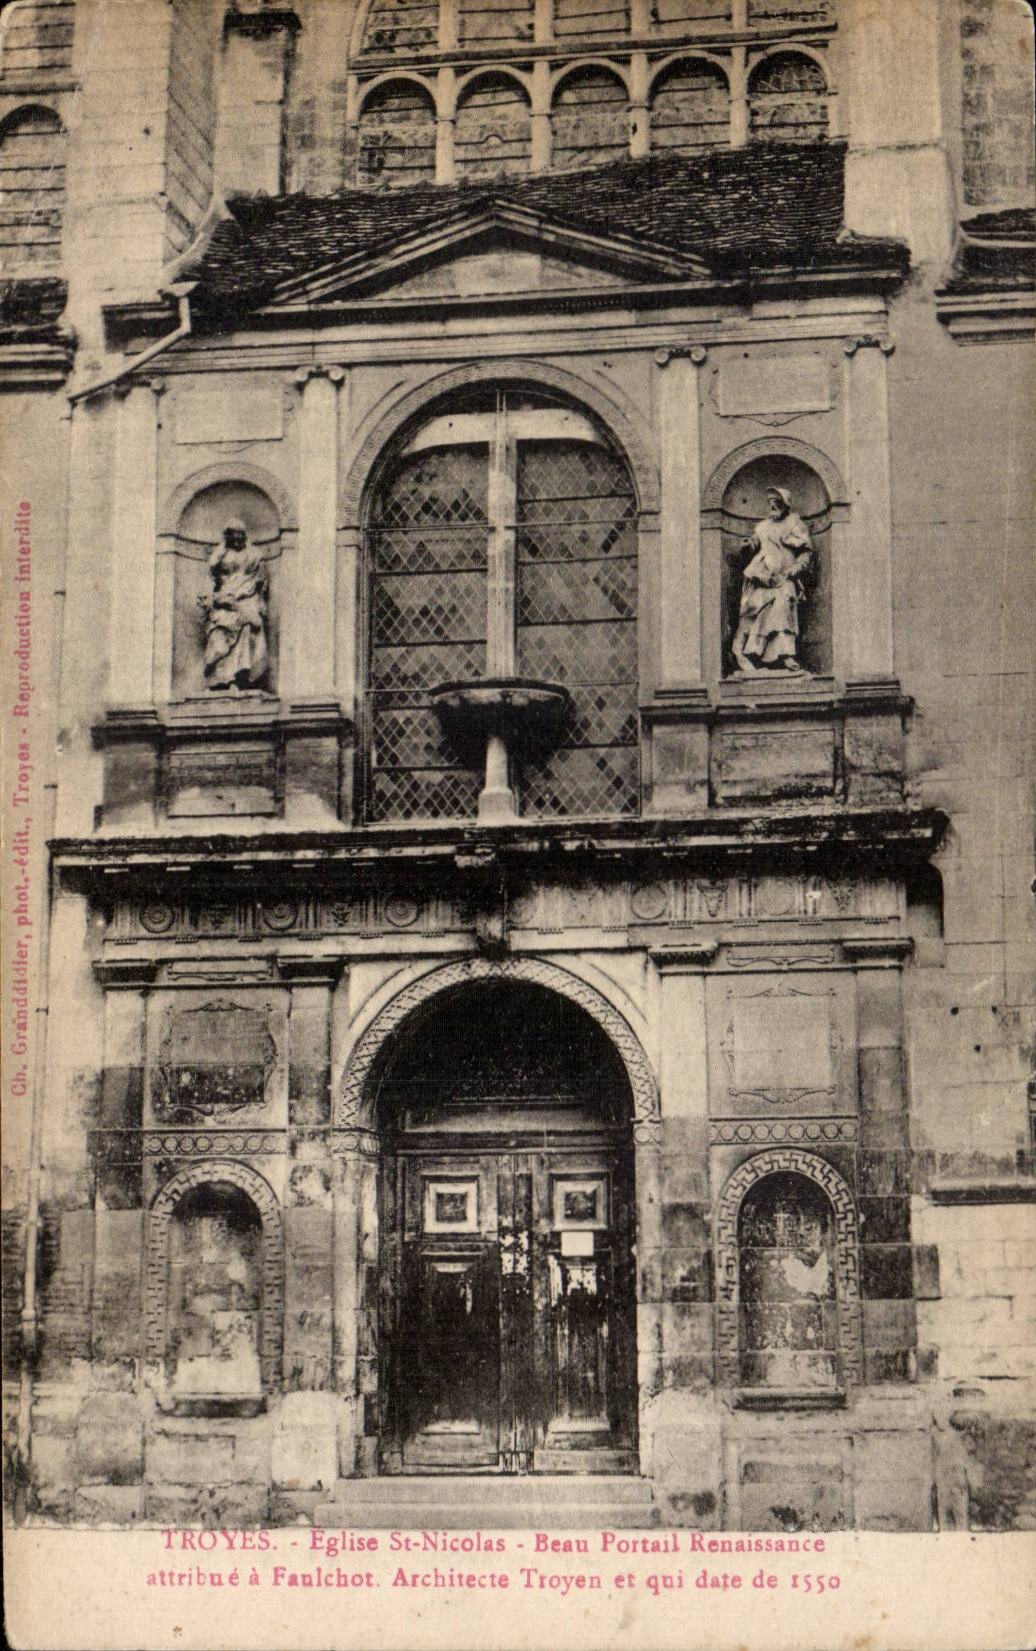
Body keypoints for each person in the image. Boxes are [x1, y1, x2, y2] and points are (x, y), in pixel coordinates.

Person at [730, 486, 812, 674]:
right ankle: (752, 653)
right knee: (754, 610)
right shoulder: (763, 526)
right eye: (771, 503)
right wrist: (747, 545)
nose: (773, 506)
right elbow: (754, 543)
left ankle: (785, 656)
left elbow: (806, 553)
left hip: (784, 579)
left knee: (782, 609)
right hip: (762, 578)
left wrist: (794, 570)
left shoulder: (795, 524)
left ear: (785, 504)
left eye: (777, 503)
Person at [199, 519, 269, 689]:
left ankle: (240, 676)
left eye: (240, 534)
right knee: (219, 634)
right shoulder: (220, 553)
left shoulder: (254, 554)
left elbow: (261, 580)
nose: (237, 538)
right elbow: (212, 576)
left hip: (247, 597)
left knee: (246, 629)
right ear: (228, 536)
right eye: (233, 534)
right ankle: (221, 678)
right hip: (224, 599)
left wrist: (251, 596)